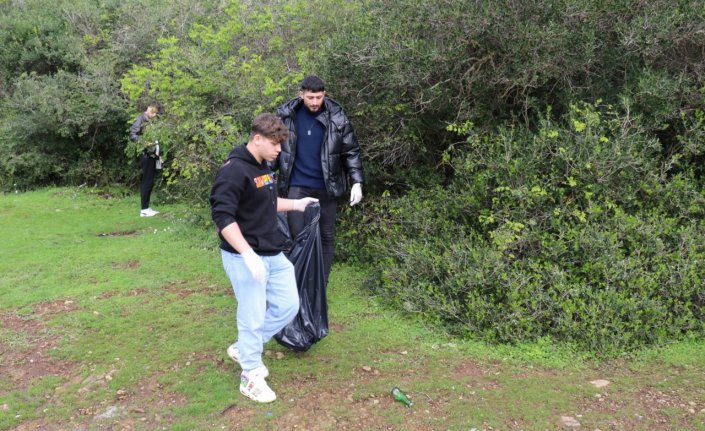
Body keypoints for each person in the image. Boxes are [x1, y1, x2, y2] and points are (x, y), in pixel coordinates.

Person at [210, 113, 318, 403]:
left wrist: (296, 204)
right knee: (252, 314)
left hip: (272, 251)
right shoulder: (233, 171)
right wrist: (247, 254)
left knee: (288, 306)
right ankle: (250, 374)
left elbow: (267, 203)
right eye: (274, 144)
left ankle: (245, 347)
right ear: (257, 138)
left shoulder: (262, 167)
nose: (279, 150)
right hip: (244, 256)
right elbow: (222, 217)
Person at [275, 75, 364, 286]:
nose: (315, 102)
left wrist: (357, 181)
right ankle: (298, 285)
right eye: (310, 97)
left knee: (326, 236)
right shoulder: (286, 116)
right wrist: (264, 177)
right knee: (297, 236)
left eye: (319, 97)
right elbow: (273, 149)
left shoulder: (337, 117)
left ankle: (319, 287)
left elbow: (350, 151)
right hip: (296, 185)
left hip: (327, 186)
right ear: (301, 94)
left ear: (324, 94)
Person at [129, 103, 160, 217]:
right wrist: (144, 143)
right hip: (146, 154)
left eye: (156, 113)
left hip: (153, 155)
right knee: (147, 181)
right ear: (149, 110)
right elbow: (133, 135)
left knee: (150, 181)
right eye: (154, 112)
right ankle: (144, 210)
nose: (155, 115)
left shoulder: (150, 121)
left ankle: (147, 207)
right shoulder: (141, 119)